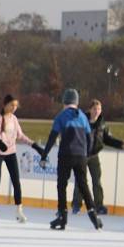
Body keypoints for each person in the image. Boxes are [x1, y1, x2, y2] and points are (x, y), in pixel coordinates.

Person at [36, 88, 102, 231]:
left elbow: (52, 137)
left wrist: (44, 154)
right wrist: (87, 153)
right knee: (83, 185)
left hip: (66, 155)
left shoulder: (61, 116)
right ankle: (93, 215)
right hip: (81, 156)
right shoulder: (83, 117)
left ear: (64, 101)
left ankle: (62, 216)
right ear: (77, 102)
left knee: (62, 185)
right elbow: (89, 138)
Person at [0, 94, 43, 224]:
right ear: (5, 104)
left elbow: (20, 136)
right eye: (12, 105)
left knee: (16, 181)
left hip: (11, 152)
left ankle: (19, 210)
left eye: (16, 106)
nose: (14, 108)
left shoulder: (14, 119)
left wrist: (35, 146)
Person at [71, 99, 124, 215]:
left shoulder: (102, 123)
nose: (97, 111)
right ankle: (76, 204)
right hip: (82, 155)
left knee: (97, 181)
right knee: (80, 181)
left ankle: (99, 206)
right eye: (95, 109)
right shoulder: (81, 121)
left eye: (99, 109)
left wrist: (120, 144)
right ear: (90, 109)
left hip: (94, 156)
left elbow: (107, 139)